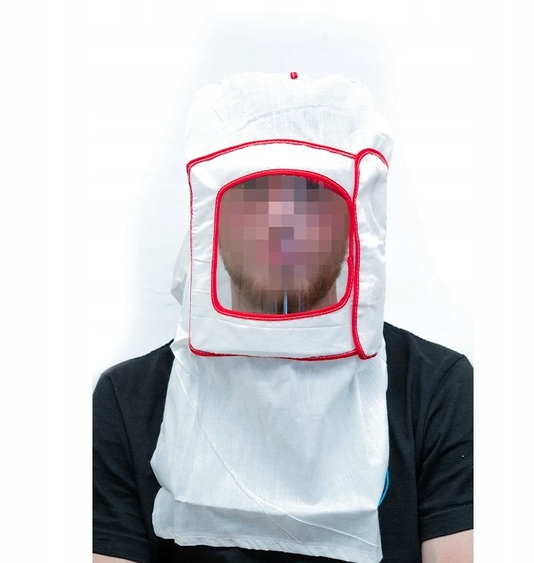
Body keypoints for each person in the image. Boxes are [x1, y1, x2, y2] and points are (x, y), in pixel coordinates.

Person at [93, 72, 473, 563]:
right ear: (213, 219)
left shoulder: (435, 388)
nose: (281, 222)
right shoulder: (128, 399)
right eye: (255, 194)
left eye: (312, 194)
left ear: (353, 220)